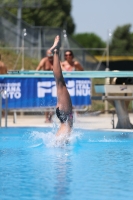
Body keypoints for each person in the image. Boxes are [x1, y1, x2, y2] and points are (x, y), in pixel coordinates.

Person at [49, 35, 73, 138]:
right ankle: (56, 52)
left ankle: (56, 52)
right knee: (60, 82)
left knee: (60, 83)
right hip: (64, 111)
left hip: (63, 112)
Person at [36, 50, 54, 123]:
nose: (50, 57)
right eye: (48, 55)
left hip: (54, 82)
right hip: (45, 83)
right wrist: (36, 77)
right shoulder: (44, 60)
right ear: (47, 55)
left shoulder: (56, 61)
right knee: (47, 101)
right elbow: (37, 69)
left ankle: (50, 117)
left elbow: (62, 69)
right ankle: (47, 118)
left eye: (51, 56)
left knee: (54, 101)